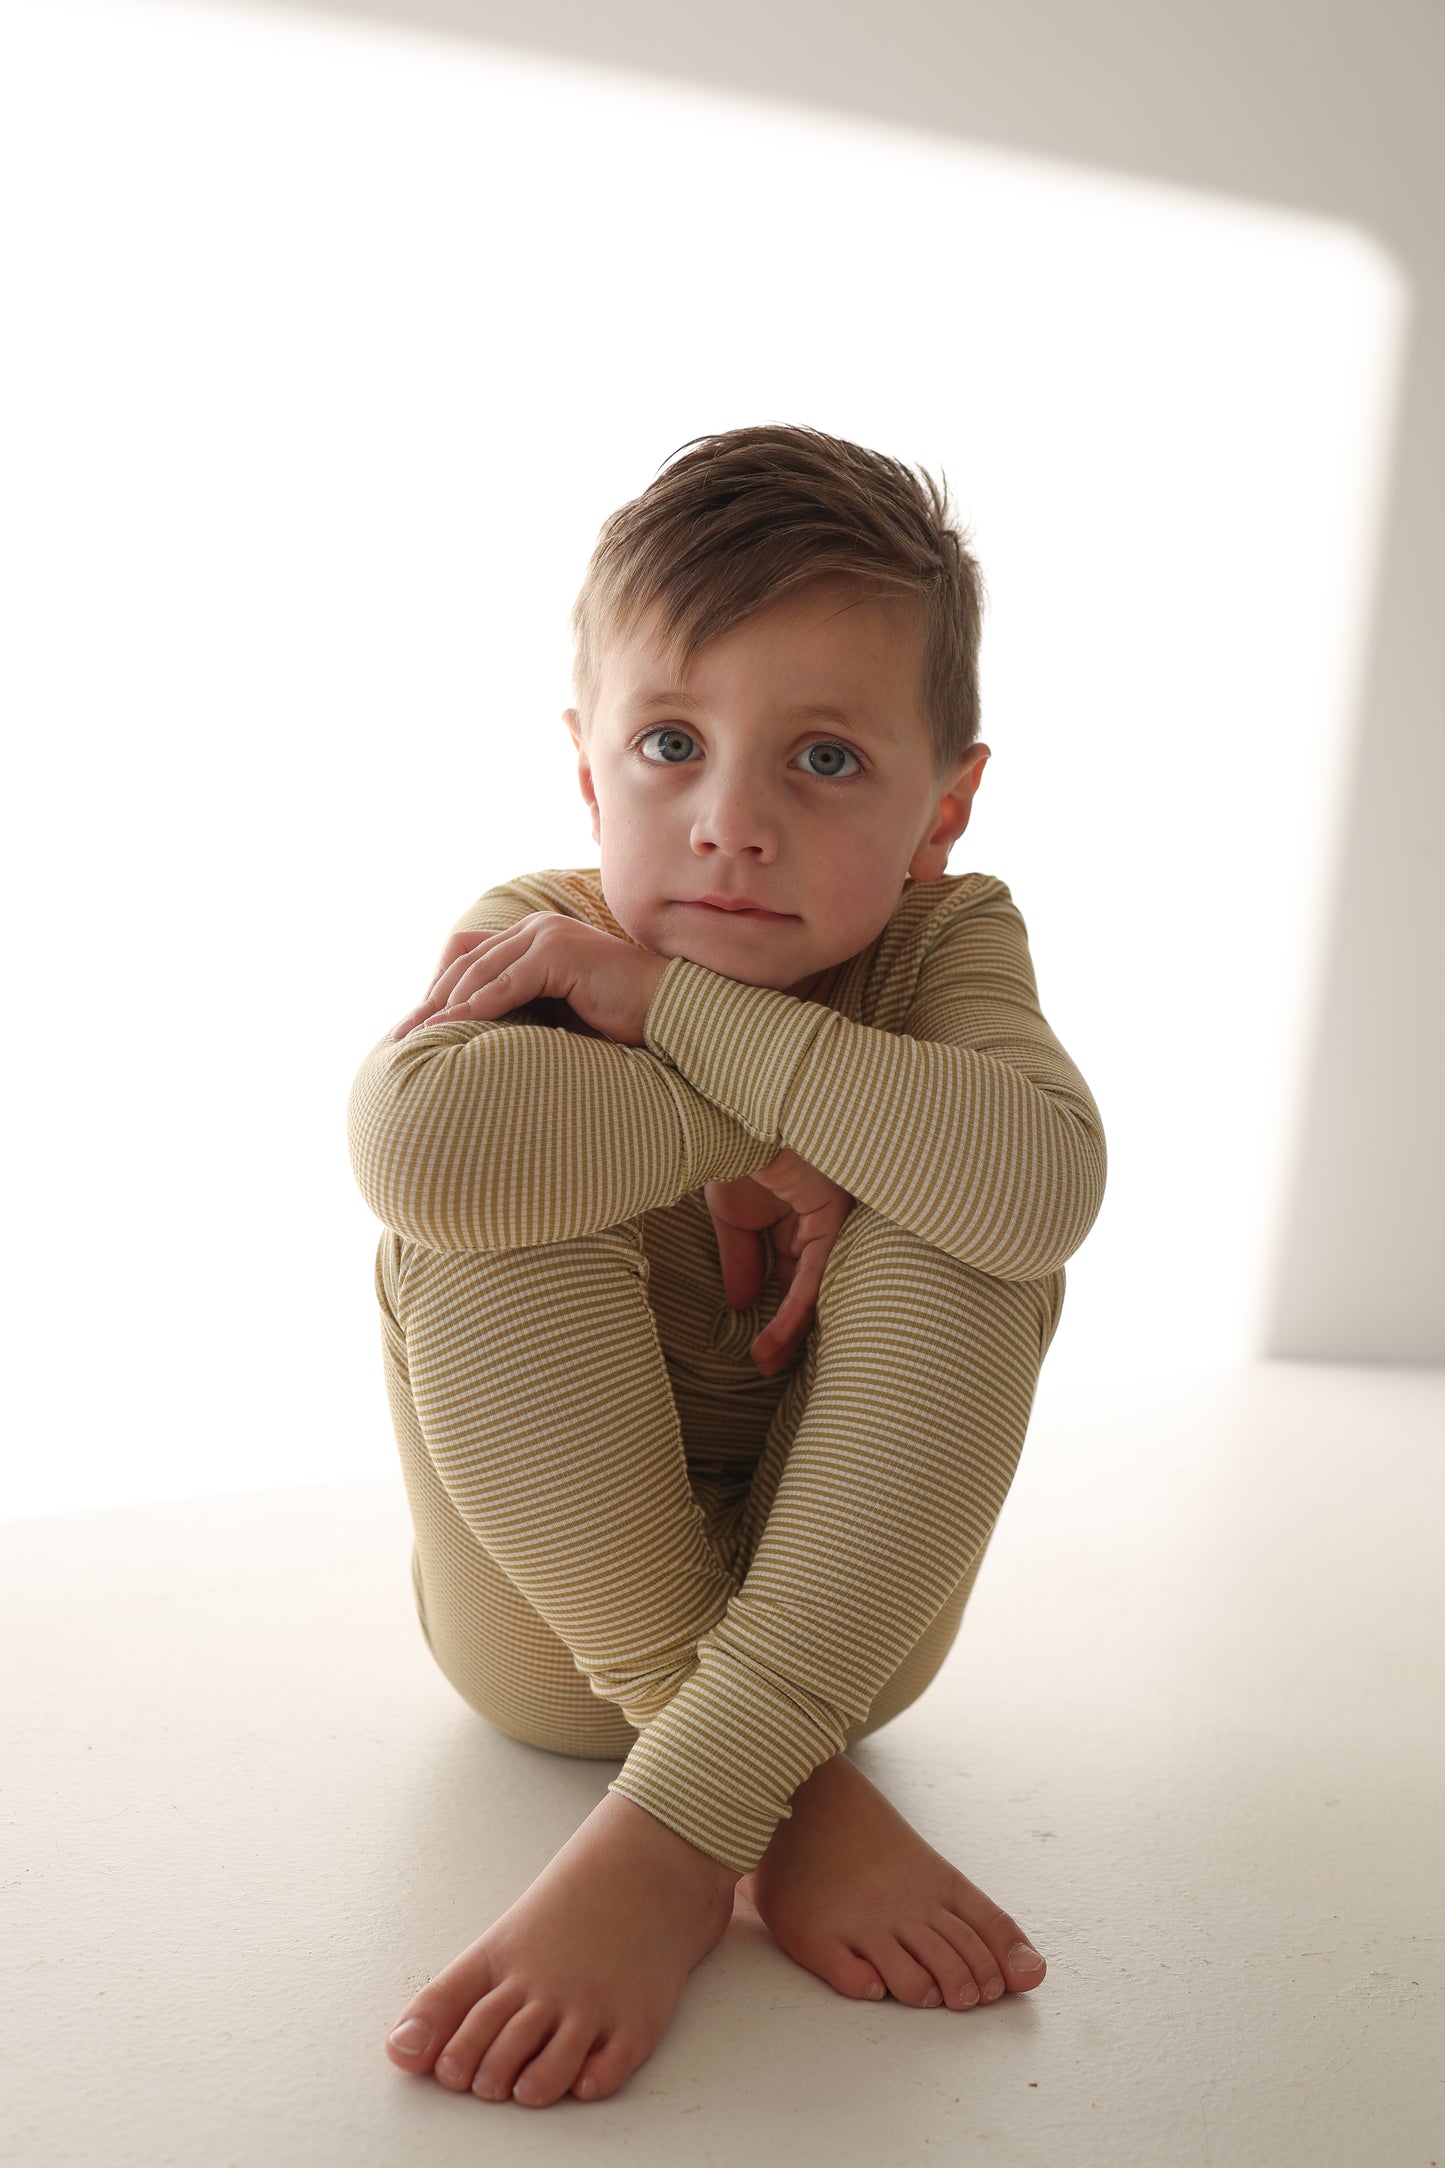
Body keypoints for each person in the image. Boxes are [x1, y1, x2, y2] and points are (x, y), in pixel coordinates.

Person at [346, 422, 1107, 2111]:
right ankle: (774, 1798)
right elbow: (421, 1150)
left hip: (845, 1615)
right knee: (469, 1209)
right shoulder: (547, 939)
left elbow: (1044, 1186)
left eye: (823, 761)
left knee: (973, 1208)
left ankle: (680, 1819)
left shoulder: (942, 947)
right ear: (587, 772)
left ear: (944, 805)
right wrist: (772, 1136)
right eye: (671, 745)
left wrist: (672, 1020)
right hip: (544, 1642)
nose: (729, 825)